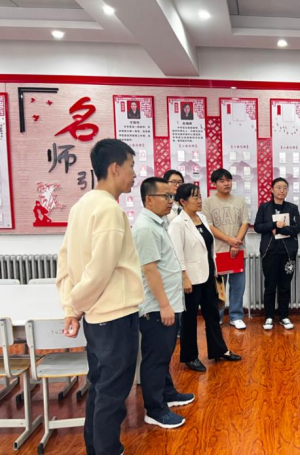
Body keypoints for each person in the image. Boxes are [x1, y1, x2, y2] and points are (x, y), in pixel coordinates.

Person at [56, 139, 144, 455]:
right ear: (114, 168)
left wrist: (72, 307)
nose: (134, 174)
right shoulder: (108, 210)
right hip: (113, 315)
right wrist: (76, 306)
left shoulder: (82, 205)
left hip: (96, 317)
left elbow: (64, 259)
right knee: (112, 393)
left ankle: (96, 448)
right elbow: (99, 272)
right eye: (131, 167)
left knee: (100, 386)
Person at [132, 177, 195, 429]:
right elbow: (149, 270)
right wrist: (164, 305)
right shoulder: (145, 228)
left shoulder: (157, 223)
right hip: (158, 307)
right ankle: (155, 410)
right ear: (149, 199)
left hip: (168, 302)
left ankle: (167, 394)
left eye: (171, 196)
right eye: (166, 196)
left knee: (163, 354)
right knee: (155, 359)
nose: (171, 201)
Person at [169, 183, 241, 373]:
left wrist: (215, 270)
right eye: (195, 197)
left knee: (213, 315)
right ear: (183, 201)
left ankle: (219, 350)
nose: (200, 200)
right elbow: (177, 254)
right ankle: (190, 357)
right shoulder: (177, 224)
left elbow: (208, 248)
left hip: (208, 274)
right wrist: (184, 277)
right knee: (189, 319)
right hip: (191, 279)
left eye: (200, 196)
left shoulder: (201, 217)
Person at [202, 169, 249, 330]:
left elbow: (245, 223)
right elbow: (209, 226)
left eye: (228, 180)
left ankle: (236, 316)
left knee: (238, 286)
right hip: (218, 251)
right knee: (218, 287)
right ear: (214, 184)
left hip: (237, 250)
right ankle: (218, 316)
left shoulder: (240, 201)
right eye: (222, 181)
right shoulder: (208, 202)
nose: (226, 183)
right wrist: (229, 240)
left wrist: (235, 244)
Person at [254, 178, 300, 330]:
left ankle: (284, 316)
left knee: (285, 286)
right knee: (270, 286)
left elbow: (298, 228)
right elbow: (257, 227)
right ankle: (269, 316)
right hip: (270, 252)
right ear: (272, 189)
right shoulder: (264, 207)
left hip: (288, 253)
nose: (282, 190)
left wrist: (281, 229)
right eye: (278, 187)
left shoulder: (292, 208)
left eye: (285, 188)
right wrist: (273, 225)